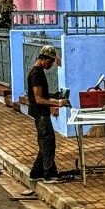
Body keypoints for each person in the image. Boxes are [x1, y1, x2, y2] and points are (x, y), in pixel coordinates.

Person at [27, 45, 67, 182]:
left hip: (41, 114)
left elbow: (40, 93)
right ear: (43, 58)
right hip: (41, 114)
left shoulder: (39, 71)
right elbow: (38, 98)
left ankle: (36, 172)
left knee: (45, 143)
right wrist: (57, 104)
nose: (51, 65)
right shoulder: (36, 73)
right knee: (48, 142)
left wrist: (54, 95)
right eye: (50, 62)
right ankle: (49, 173)